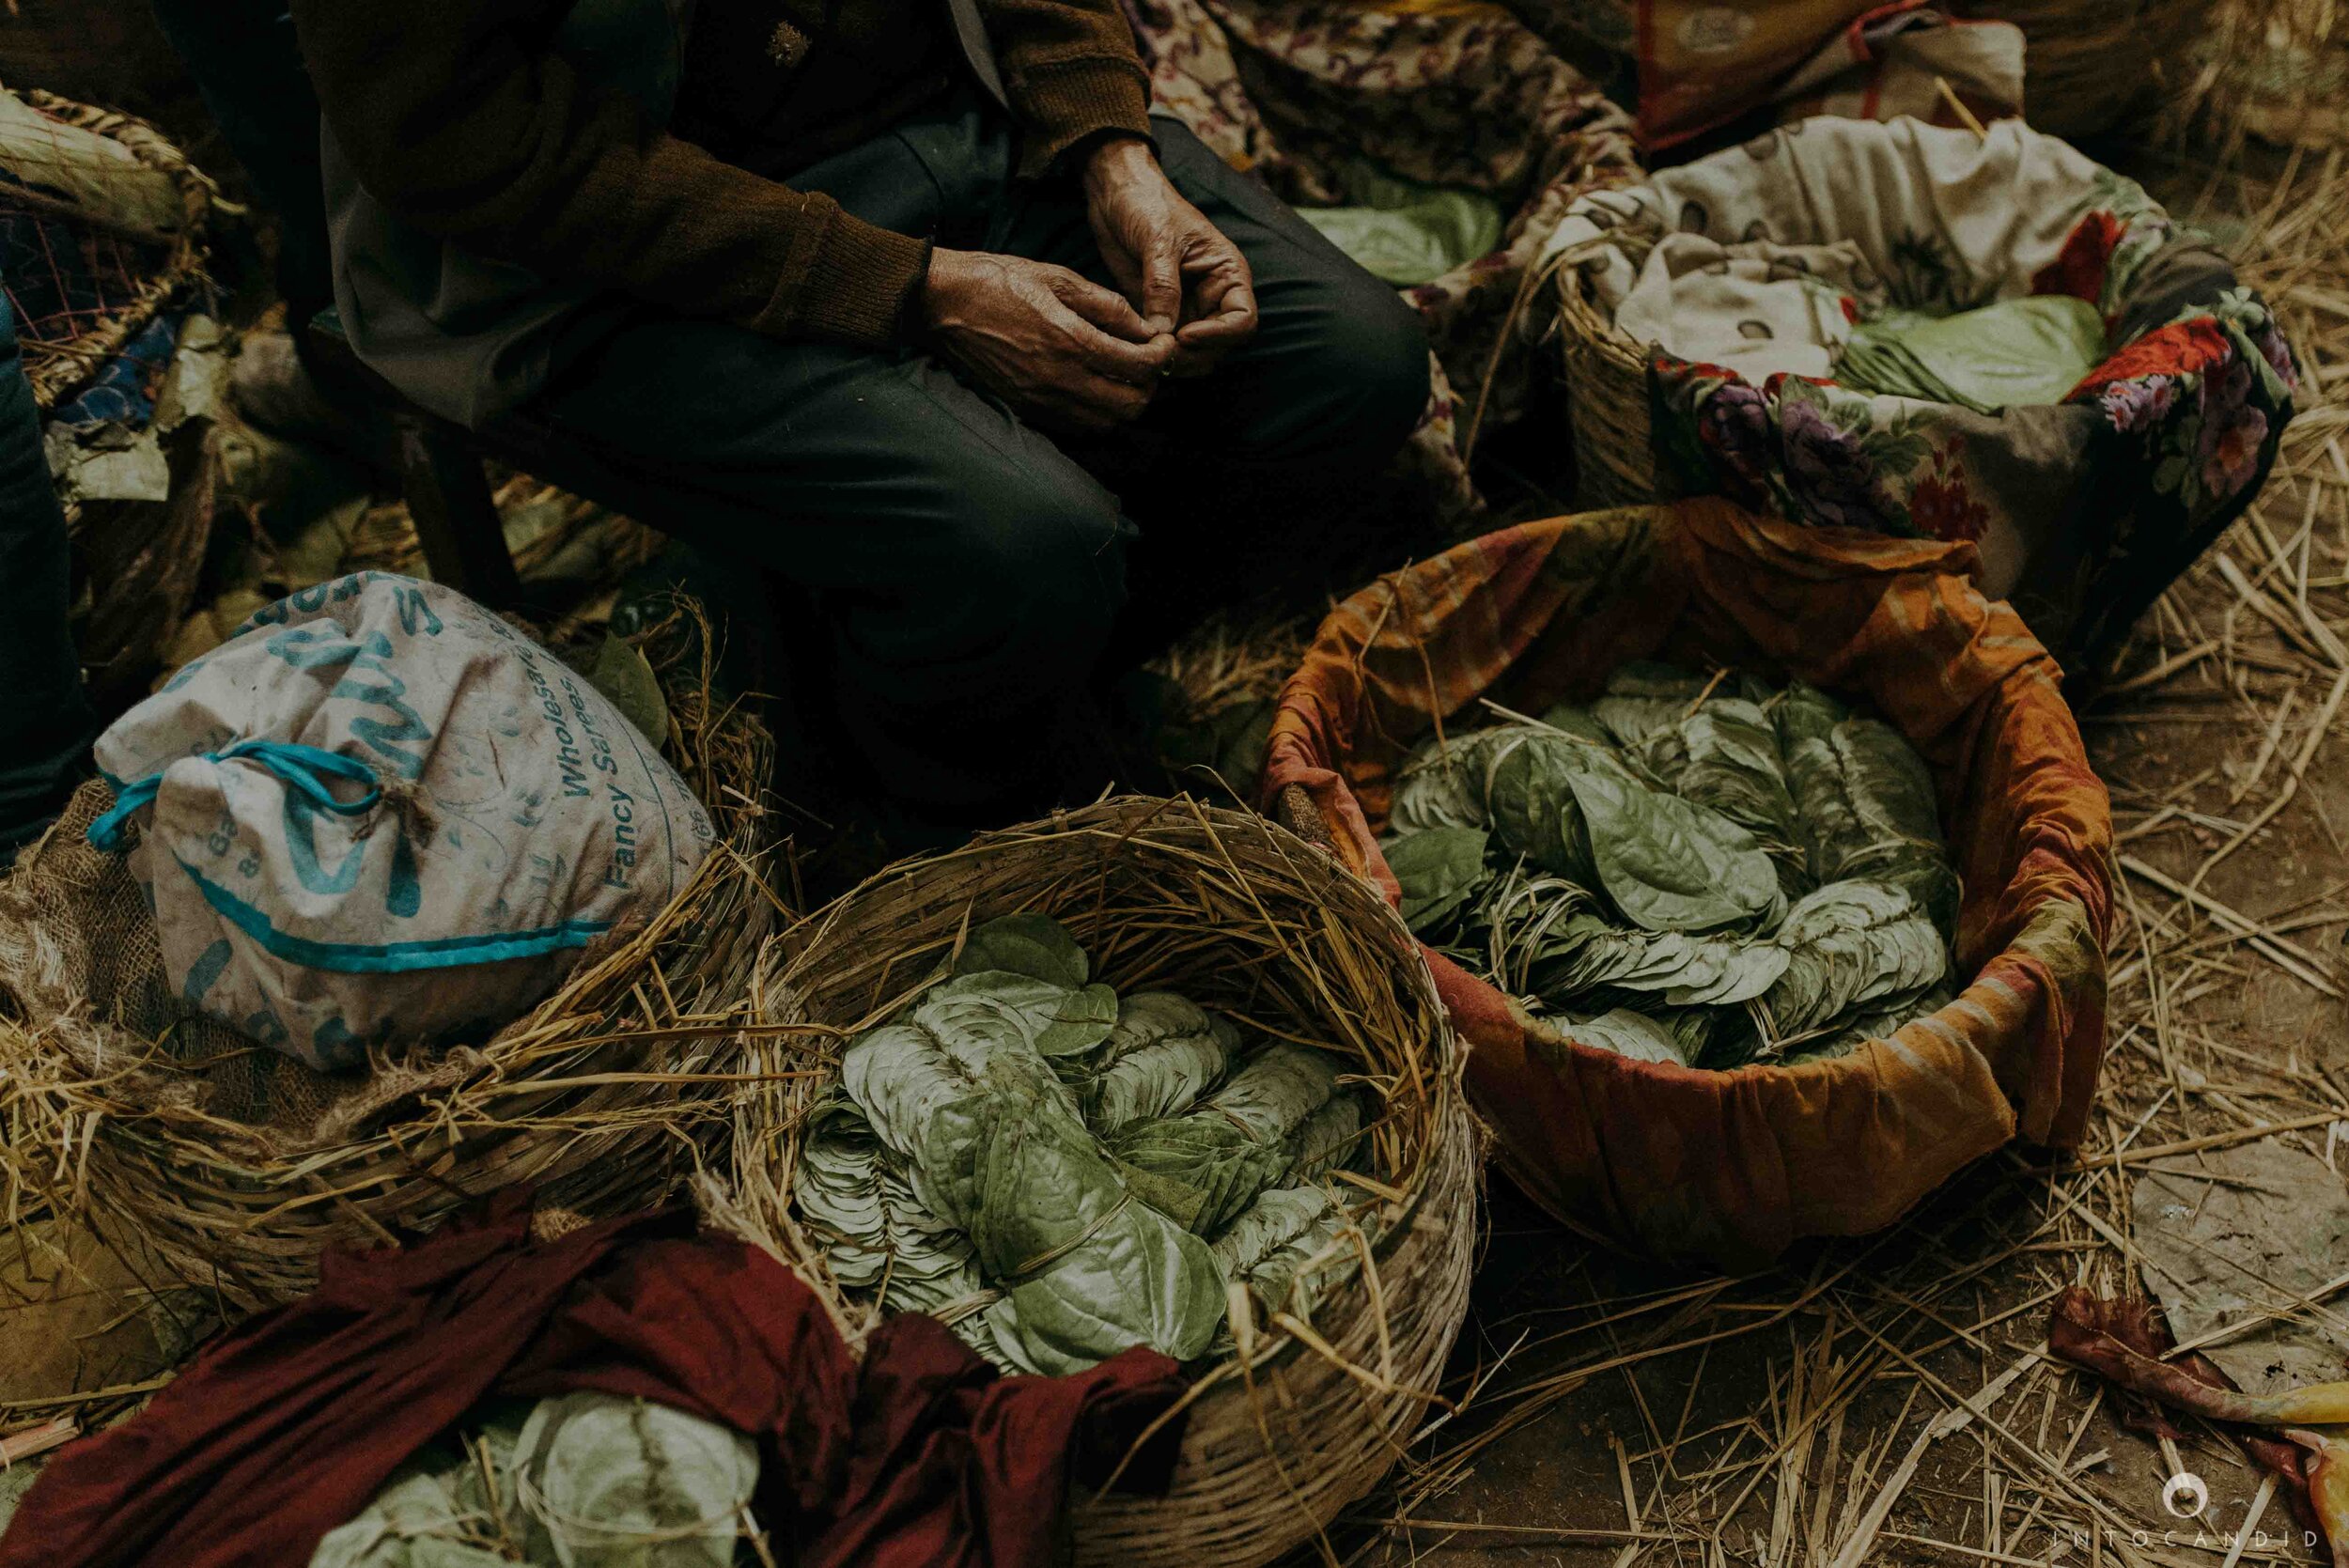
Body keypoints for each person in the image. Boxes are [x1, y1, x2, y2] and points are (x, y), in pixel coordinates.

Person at [287, 0, 1432, 828]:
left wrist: (1106, 139)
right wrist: (914, 292)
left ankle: (954, 655)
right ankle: (919, 806)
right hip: (620, 259)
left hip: (954, 114)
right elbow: (465, 143)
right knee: (1032, 545)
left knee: (1352, 365)